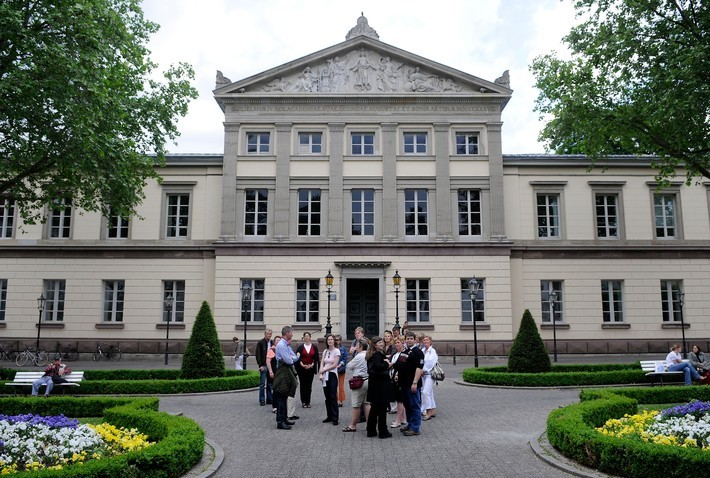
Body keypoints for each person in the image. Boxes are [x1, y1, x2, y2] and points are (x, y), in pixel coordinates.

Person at [395, 331, 424, 436]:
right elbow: (400, 364)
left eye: (411, 338)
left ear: (415, 340)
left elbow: (419, 368)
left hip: (412, 383)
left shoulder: (418, 352)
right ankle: (410, 424)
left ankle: (415, 428)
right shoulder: (405, 351)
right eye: (407, 338)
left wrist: (415, 382)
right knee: (407, 405)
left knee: (414, 405)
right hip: (404, 383)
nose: (409, 340)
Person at [365, 336, 393, 439]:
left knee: (375, 409)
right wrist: (387, 364)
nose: (382, 344)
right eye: (379, 343)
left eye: (382, 342)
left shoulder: (372, 354)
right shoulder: (377, 354)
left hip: (375, 385)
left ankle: (371, 430)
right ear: (374, 345)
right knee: (381, 409)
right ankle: (383, 431)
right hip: (380, 386)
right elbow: (378, 367)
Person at [272, 326, 299, 430]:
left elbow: (294, 358)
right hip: (282, 372)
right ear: (287, 333)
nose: (292, 334)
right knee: (281, 397)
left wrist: (293, 358)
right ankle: (280, 422)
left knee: (284, 397)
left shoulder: (285, 344)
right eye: (291, 332)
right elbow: (290, 360)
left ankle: (284, 419)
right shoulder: (282, 345)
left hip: (285, 371)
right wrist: (293, 357)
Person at [342, 338, 369, 432]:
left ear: (361, 346)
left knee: (356, 404)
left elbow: (349, 366)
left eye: (357, 345)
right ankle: (369, 425)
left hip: (359, 381)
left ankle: (353, 425)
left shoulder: (359, 356)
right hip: (368, 380)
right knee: (367, 403)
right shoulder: (369, 354)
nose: (356, 347)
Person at [318, 334, 340, 425]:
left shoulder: (337, 351)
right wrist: (320, 373)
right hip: (325, 375)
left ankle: (335, 417)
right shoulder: (325, 351)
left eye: (331, 339)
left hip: (332, 375)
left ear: (334, 341)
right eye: (328, 340)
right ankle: (329, 416)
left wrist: (324, 369)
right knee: (327, 396)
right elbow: (322, 363)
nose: (330, 341)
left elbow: (335, 365)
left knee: (332, 396)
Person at [295, 332, 319, 408]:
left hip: (310, 369)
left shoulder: (314, 347)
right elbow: (297, 358)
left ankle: (308, 401)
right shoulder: (300, 347)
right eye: (305, 336)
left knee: (309, 385)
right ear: (304, 338)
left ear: (310, 337)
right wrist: (302, 364)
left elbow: (316, 358)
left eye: (308, 336)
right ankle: (303, 401)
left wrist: (312, 365)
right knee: (303, 385)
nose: (306, 337)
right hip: (302, 369)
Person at [389, 336, 407, 428]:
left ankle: (398, 420)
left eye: (398, 342)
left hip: (401, 378)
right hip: (394, 378)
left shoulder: (404, 354)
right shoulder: (395, 354)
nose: (396, 344)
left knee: (400, 401)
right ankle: (403, 418)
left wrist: (392, 365)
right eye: (395, 343)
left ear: (403, 343)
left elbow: (401, 365)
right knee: (398, 399)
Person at [421, 335, 438, 420]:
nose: (425, 342)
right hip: (423, 375)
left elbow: (431, 362)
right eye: (424, 340)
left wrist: (423, 370)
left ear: (430, 341)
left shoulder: (432, 351)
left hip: (430, 374)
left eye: (427, 340)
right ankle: (433, 410)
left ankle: (428, 412)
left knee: (425, 392)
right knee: (430, 392)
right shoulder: (423, 350)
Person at [255, 328, 273, 406]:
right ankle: (262, 400)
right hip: (263, 365)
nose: (269, 335)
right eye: (268, 334)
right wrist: (260, 365)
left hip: (270, 366)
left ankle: (269, 399)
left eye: (270, 334)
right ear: (265, 334)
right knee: (262, 384)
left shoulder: (272, 342)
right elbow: (258, 355)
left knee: (270, 384)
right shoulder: (260, 342)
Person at [266, 335, 280, 413]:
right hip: (274, 372)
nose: (278, 341)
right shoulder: (272, 350)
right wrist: (270, 371)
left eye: (279, 340)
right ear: (274, 342)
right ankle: (274, 406)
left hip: (280, 373)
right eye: (277, 340)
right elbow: (268, 361)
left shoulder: (281, 349)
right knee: (275, 390)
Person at [335, 334, 348, 407]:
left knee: (341, 386)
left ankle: (341, 400)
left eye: (338, 340)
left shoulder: (343, 349)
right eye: (335, 340)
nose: (337, 341)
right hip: (333, 369)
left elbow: (345, 358)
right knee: (334, 386)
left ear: (340, 341)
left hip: (341, 369)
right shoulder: (332, 348)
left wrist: (340, 364)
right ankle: (336, 400)